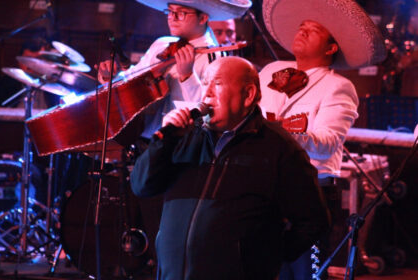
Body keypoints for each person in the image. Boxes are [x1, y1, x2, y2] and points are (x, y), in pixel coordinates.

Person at [130, 56, 330, 279]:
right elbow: (141, 186)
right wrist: (162, 142)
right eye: (205, 83)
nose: (206, 94)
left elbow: (313, 221)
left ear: (248, 95)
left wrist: (264, 259)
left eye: (216, 84)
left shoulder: (279, 149)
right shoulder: (182, 136)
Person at [260, 0, 387, 279]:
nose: (301, 32)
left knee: (307, 272)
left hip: (309, 191)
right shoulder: (271, 71)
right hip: (263, 188)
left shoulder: (338, 86)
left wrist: (289, 134)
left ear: (331, 48)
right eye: (301, 27)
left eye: (313, 30)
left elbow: (328, 142)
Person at [98, 0, 251, 139]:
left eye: (181, 13)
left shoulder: (216, 56)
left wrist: (187, 76)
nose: (172, 18)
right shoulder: (162, 45)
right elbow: (132, 79)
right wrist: (111, 78)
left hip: (185, 145)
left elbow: (211, 111)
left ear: (203, 18)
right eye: (170, 11)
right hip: (148, 137)